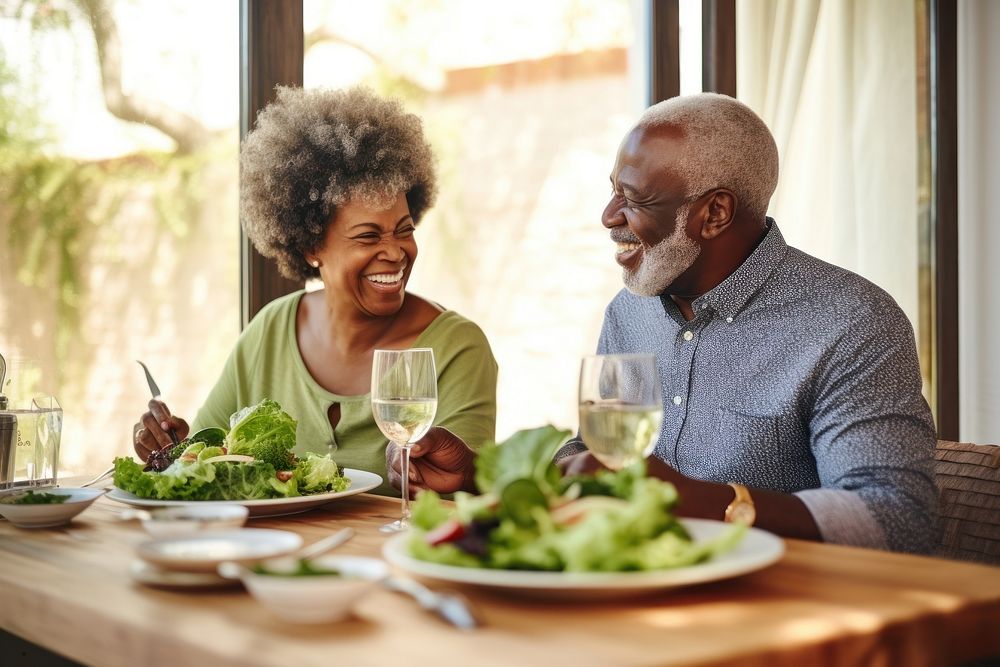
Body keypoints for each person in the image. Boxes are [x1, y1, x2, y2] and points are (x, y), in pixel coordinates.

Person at [420, 93, 938, 554]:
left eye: (635, 199)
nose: (607, 215)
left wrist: (708, 502)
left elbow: (897, 519)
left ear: (714, 214)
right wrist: (487, 479)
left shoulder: (850, 322)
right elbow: (595, 457)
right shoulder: (629, 313)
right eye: (612, 191)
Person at [133, 86, 495, 496]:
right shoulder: (270, 332)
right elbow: (206, 460)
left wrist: (463, 477)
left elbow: (470, 495)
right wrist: (172, 449)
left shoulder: (457, 349)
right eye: (368, 236)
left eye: (404, 230)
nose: (395, 252)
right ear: (311, 246)